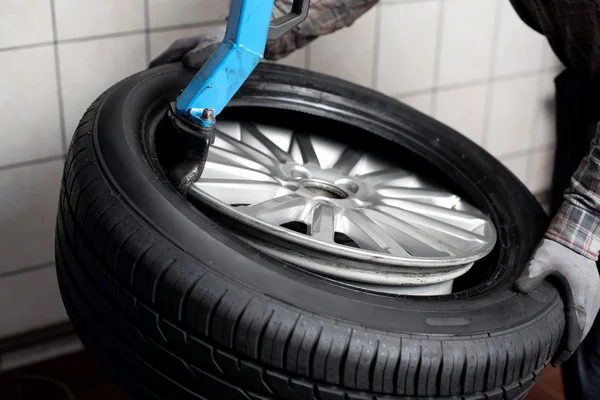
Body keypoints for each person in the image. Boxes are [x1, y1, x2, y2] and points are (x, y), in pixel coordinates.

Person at [151, 1, 600, 398]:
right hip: (589, 81)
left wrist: (587, 222)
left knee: (588, 309)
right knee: (565, 288)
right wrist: (252, 39)